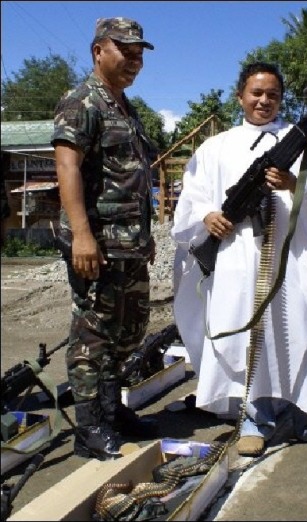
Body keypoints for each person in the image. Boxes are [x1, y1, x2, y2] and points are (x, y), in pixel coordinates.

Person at [171, 62, 307, 458]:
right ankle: (255, 420)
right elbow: (193, 195)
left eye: (272, 94)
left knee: (304, 333)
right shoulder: (217, 146)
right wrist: (208, 216)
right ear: (240, 96)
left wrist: (293, 184)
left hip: (291, 257)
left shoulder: (302, 141)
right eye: (256, 93)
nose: (264, 101)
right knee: (248, 337)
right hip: (238, 257)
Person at [51, 17, 158, 460]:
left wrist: (146, 235)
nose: (134, 59)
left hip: (129, 243)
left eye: (139, 53)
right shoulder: (82, 102)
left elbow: (133, 180)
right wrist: (81, 234)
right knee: (93, 333)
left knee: (129, 331)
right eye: (125, 50)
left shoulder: (124, 107)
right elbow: (68, 168)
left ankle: (112, 411)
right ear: (99, 50)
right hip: (97, 241)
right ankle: (90, 427)